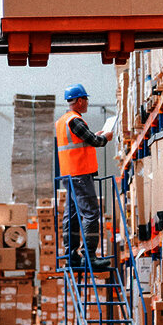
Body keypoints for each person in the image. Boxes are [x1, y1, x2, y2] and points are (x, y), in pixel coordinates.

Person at [56, 84, 114, 269]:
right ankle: (89, 257)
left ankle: (70, 256)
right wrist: (106, 137)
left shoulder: (62, 121)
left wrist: (93, 136)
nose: (88, 103)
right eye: (86, 99)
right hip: (80, 174)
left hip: (69, 175)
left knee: (71, 215)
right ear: (80, 100)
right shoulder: (75, 120)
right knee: (91, 213)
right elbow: (96, 141)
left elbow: (82, 140)